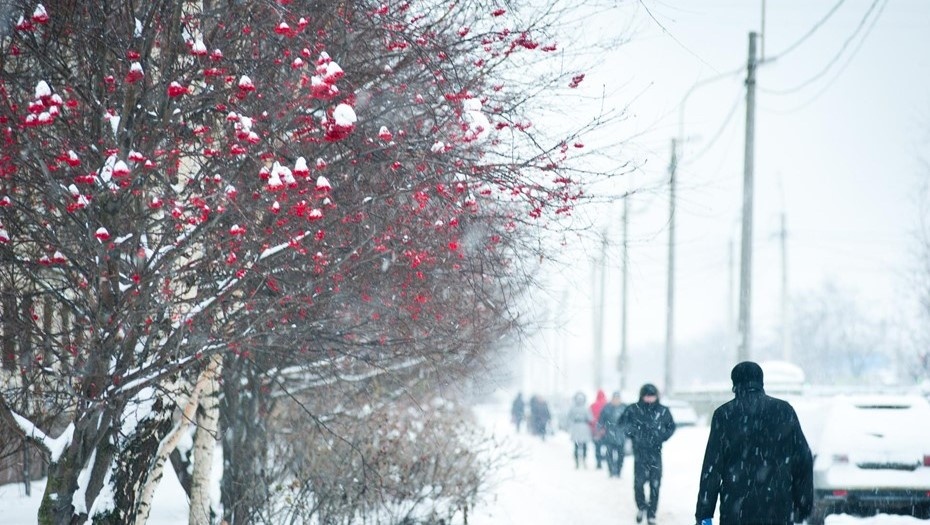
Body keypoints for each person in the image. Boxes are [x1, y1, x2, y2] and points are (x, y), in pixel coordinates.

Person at [694, 361, 814, 525]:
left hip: (736, 507)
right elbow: (803, 458)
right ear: (761, 382)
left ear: (735, 384)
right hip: (778, 506)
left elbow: (712, 468)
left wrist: (704, 514)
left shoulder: (724, 415)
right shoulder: (784, 411)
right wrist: (803, 504)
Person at [621, 383, 676, 525]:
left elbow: (671, 426)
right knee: (638, 483)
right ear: (642, 395)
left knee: (655, 484)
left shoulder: (662, 410)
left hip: (656, 453)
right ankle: (641, 507)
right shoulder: (634, 409)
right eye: (647, 396)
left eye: (652, 396)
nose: (649, 399)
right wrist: (633, 433)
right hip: (639, 453)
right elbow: (622, 423)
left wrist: (661, 436)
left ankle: (652, 513)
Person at [596, 391, 627, 478]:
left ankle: (618, 471)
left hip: (621, 435)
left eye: (618, 398)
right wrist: (599, 429)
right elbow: (601, 419)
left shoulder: (624, 407)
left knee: (621, 455)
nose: (616, 400)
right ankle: (610, 471)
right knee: (609, 454)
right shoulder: (607, 408)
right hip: (609, 434)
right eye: (615, 398)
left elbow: (630, 421)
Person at [566, 391, 594, 468]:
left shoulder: (573, 408)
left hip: (576, 427)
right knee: (583, 446)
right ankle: (583, 461)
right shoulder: (585, 408)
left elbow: (569, 418)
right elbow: (590, 418)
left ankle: (577, 462)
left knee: (576, 446)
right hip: (583, 427)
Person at [589, 389, 608, 468]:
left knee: (597, 447)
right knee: (608, 446)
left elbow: (590, 418)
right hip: (606, 429)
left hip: (596, 429)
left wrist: (592, 427)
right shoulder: (607, 405)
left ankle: (598, 461)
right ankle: (606, 458)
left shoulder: (593, 405)